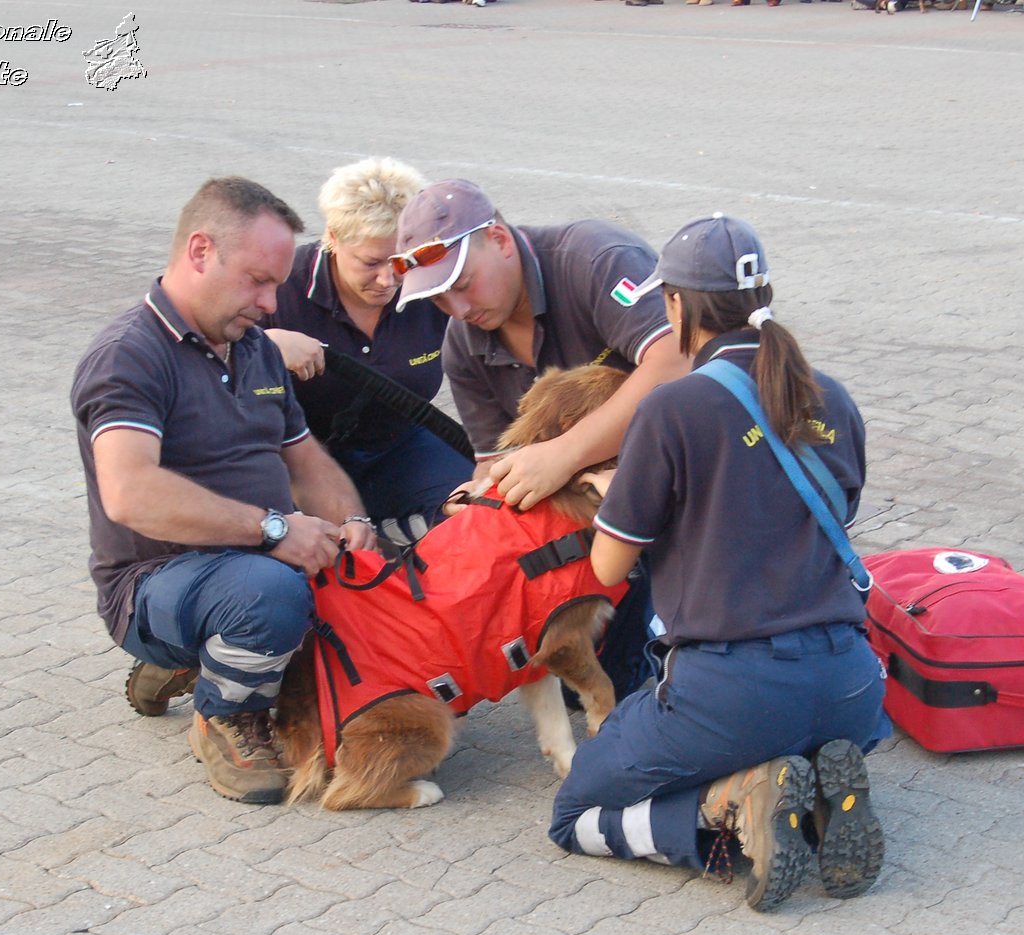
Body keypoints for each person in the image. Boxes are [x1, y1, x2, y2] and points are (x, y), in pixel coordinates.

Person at [546, 214, 891, 911]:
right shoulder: (833, 399)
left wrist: (618, 492)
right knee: (790, 726)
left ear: (676, 306)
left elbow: (612, 567)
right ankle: (817, 793)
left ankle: (730, 803)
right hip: (852, 687)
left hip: (733, 695)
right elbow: (814, 523)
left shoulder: (673, 409)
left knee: (574, 815)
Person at [71, 176, 375, 804]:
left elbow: (307, 462)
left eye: (278, 286)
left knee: (351, 586)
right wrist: (275, 530)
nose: (271, 304)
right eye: (258, 281)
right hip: (155, 581)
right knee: (270, 593)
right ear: (201, 251)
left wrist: (353, 528)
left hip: (246, 564)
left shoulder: (255, 349)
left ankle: (209, 653)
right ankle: (226, 714)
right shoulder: (129, 356)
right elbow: (131, 493)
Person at [392, 179, 686, 700]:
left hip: (683, 474)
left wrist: (564, 454)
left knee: (647, 682)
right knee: (592, 681)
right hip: (594, 518)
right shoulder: (462, 346)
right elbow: (494, 462)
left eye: (463, 284)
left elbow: (676, 361)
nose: (457, 309)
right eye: (439, 298)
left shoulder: (594, 257)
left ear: (500, 240)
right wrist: (479, 498)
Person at [264, 158, 473, 538]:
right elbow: (186, 349)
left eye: (400, 262)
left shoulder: (430, 284)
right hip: (293, 457)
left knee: (479, 514)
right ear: (332, 237)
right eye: (370, 262)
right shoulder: (279, 286)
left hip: (396, 445)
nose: (388, 280)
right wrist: (260, 345)